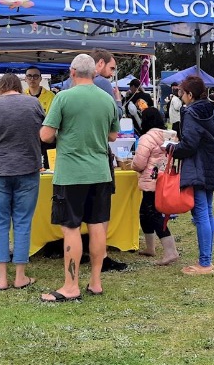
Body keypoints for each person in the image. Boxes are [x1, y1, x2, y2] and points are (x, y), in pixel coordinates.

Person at [39, 54, 119, 302]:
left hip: (71, 173)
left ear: (72, 72)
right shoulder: (108, 99)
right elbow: (114, 136)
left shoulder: (63, 97)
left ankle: (71, 286)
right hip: (100, 172)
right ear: (94, 73)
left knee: (71, 228)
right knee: (97, 226)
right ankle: (95, 282)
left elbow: (45, 135)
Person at [0, 73, 44, 291]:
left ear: (1, 87)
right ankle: (21, 276)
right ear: (19, 86)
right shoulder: (33, 103)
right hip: (27, 168)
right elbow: (45, 134)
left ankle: (2, 278)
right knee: (23, 222)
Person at [168, 75, 214, 275]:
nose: (180, 96)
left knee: (201, 213)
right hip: (213, 163)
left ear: (190, 94)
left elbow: (189, 144)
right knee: (207, 211)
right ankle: (206, 259)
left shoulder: (191, 113)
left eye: (182, 93)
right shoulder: (213, 110)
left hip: (199, 166)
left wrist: (171, 148)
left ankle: (205, 263)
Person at [91, 48, 128, 272]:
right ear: (100, 64)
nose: (112, 74)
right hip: (99, 152)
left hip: (74, 155)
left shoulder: (68, 85)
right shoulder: (103, 84)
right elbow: (114, 123)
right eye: (112, 68)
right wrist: (118, 101)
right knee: (101, 209)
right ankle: (101, 255)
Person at [131, 108, 179, 266]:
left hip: (150, 182)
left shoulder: (147, 138)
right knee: (145, 212)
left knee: (153, 214)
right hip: (165, 180)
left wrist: (132, 165)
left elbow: (139, 163)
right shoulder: (170, 136)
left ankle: (170, 251)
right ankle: (150, 247)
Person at [23, 66, 54, 171]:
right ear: (25, 78)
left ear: (41, 79)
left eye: (36, 76)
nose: (32, 79)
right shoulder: (22, 96)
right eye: (29, 76)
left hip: (46, 139)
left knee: (47, 169)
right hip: (28, 140)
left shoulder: (51, 96)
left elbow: (51, 118)